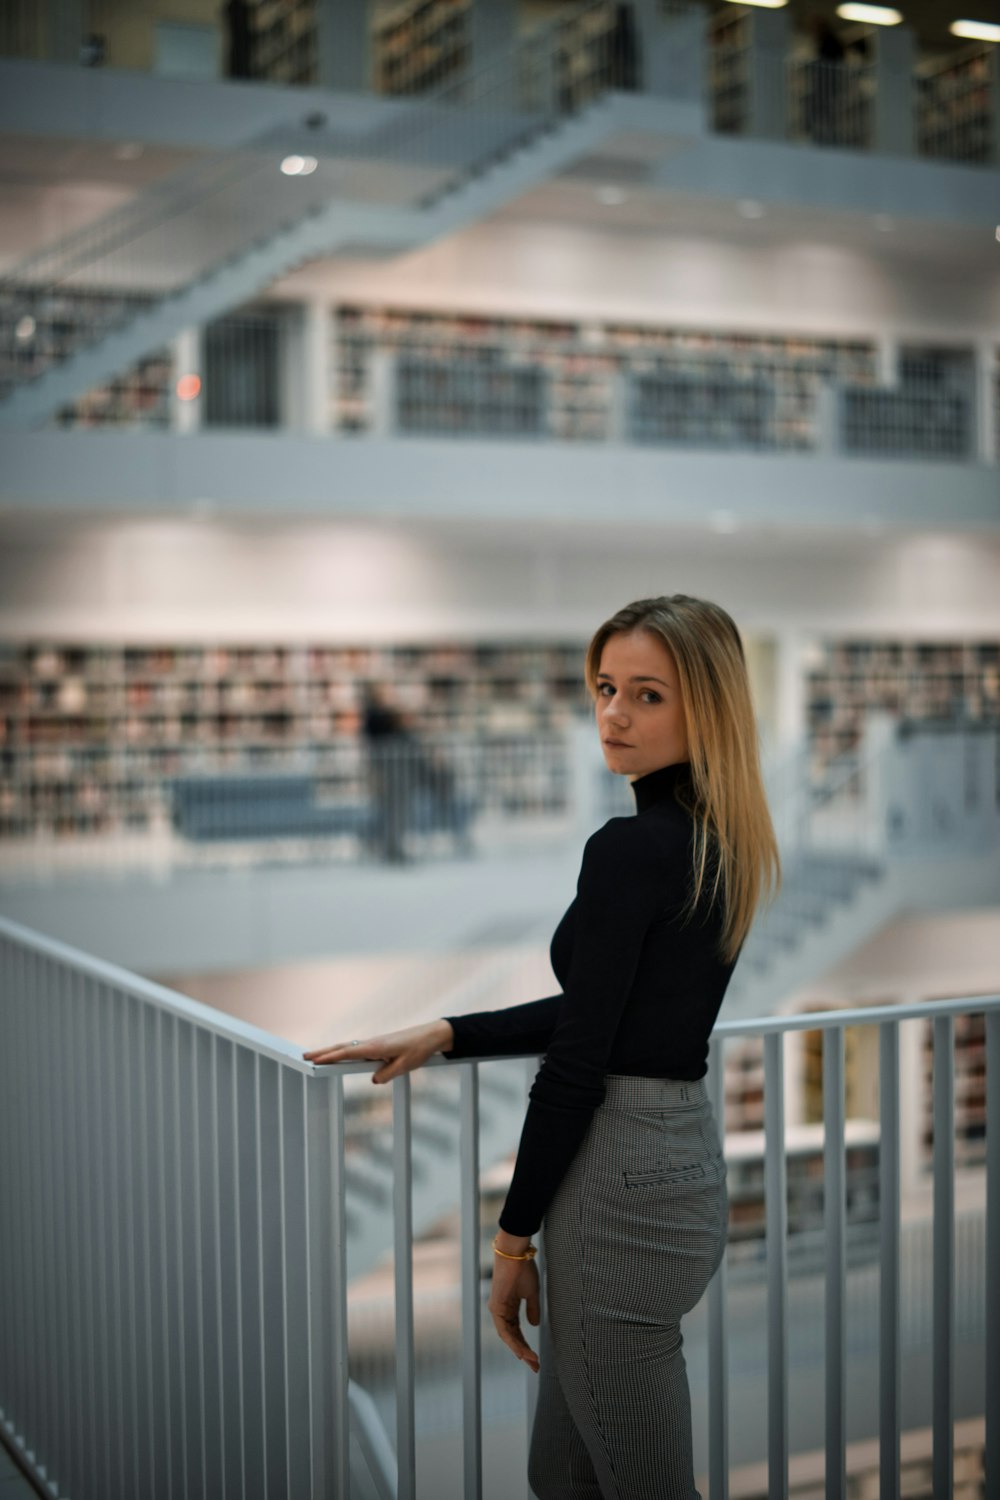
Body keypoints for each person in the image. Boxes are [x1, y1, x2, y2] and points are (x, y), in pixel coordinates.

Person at [306, 595, 780, 1499]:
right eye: (605, 687)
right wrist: (452, 1031)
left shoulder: (629, 849)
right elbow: (613, 1014)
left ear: (705, 708)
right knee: (559, 1479)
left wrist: (511, 1241)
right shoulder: (723, 841)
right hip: (680, 1165)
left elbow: (578, 1064)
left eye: (648, 695)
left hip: (617, 1193)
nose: (612, 714)